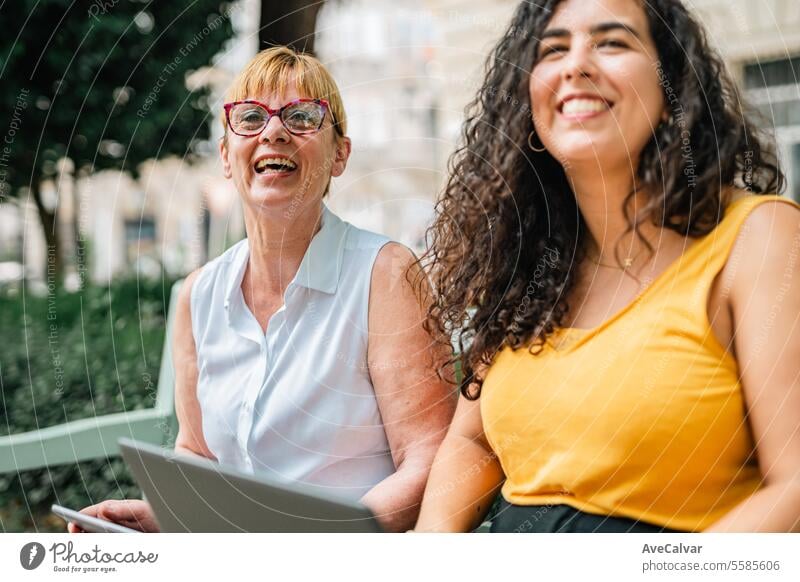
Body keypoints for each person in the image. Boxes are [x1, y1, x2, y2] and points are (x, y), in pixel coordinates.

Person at [414, 0, 800, 532]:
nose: (576, 65)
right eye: (552, 49)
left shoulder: (759, 237)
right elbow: (470, 441)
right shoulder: (530, 264)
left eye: (612, 42)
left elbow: (794, 487)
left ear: (673, 94)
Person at [68, 46, 455, 533]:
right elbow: (199, 454)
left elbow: (430, 458)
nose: (274, 131)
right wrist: (161, 517)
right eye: (250, 118)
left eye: (301, 116)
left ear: (340, 154)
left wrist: (318, 543)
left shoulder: (387, 275)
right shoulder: (198, 295)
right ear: (227, 157)